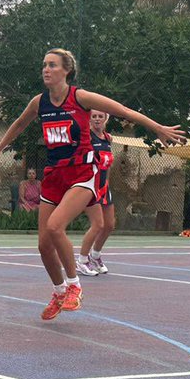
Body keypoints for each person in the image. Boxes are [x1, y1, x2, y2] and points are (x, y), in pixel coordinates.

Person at [0, 49, 186, 320]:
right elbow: (18, 124)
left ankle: (75, 285)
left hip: (81, 174)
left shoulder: (80, 97)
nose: (46, 69)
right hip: (54, 175)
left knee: (55, 227)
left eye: (52, 65)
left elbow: (123, 111)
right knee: (43, 245)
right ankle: (59, 291)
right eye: (44, 65)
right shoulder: (39, 103)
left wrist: (157, 128)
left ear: (66, 70)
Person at [77, 109, 115, 276]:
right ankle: (82, 261)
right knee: (97, 224)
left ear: (106, 119)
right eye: (94, 116)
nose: (97, 119)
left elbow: (108, 165)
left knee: (109, 225)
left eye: (101, 116)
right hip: (90, 185)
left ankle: (95, 256)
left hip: (103, 186)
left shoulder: (108, 138)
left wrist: (107, 184)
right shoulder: (86, 138)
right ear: (89, 119)